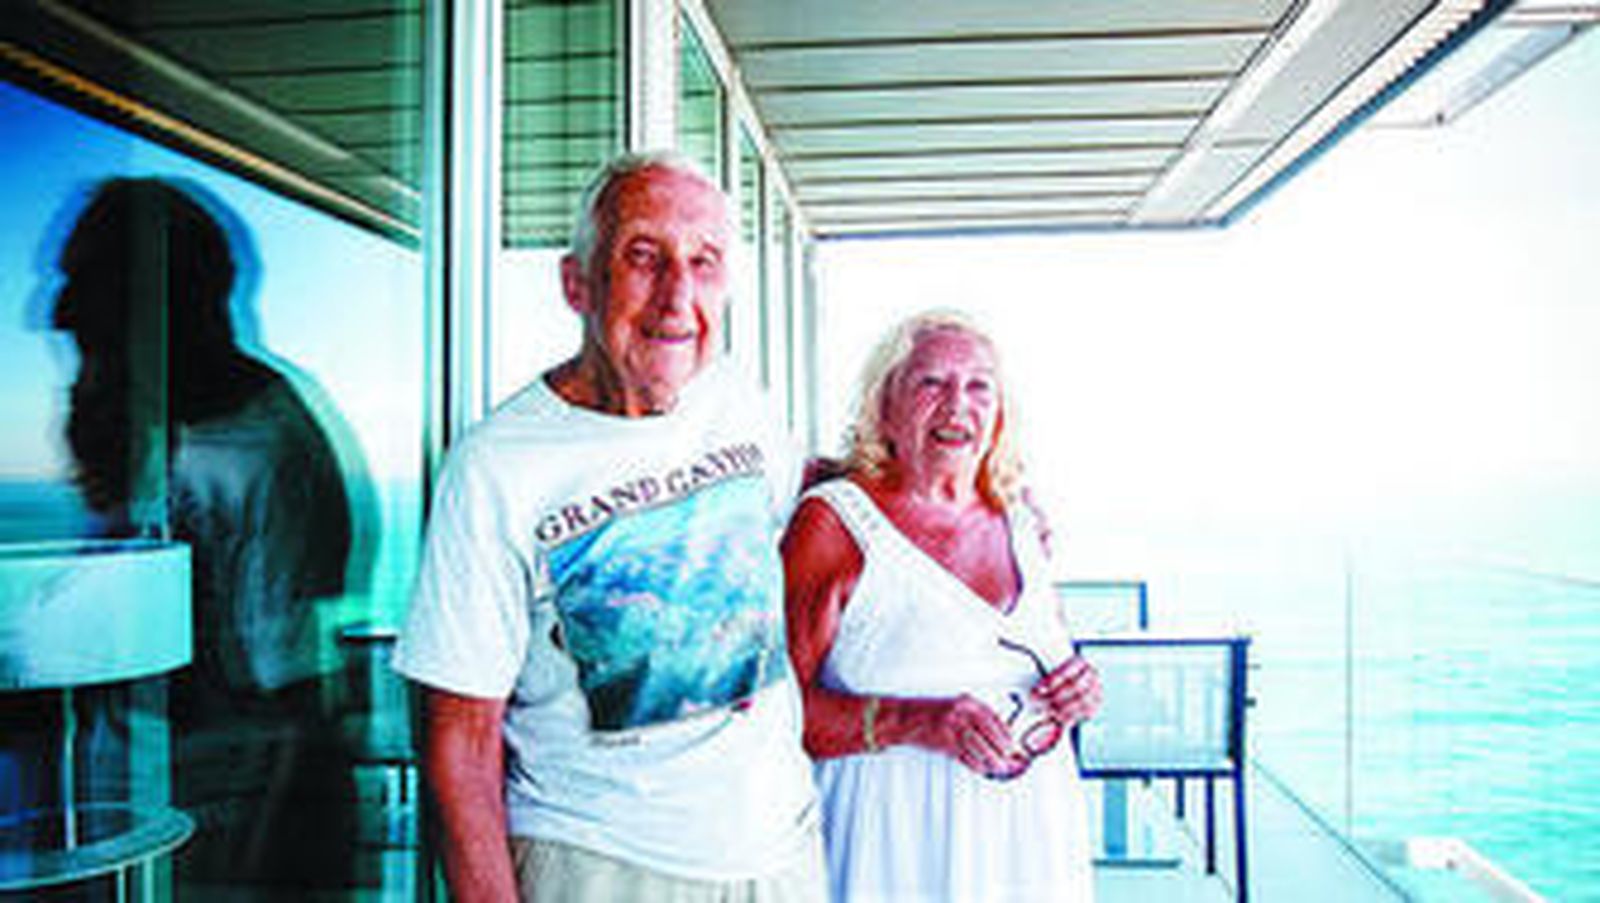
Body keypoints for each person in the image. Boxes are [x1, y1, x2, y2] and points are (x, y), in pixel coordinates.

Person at [394, 152, 825, 903]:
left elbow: (812, 490)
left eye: (703, 261)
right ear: (577, 282)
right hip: (597, 864)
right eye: (643, 257)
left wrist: (978, 500)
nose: (677, 298)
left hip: (779, 856)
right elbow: (458, 745)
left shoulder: (737, 403)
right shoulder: (497, 466)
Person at [46, 177, 361, 893]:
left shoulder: (256, 450)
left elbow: (282, 707)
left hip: (222, 840)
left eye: (85, 287)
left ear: (160, 304)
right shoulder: (183, 437)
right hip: (172, 823)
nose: (58, 313)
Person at [783, 311, 1102, 902]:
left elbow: (1044, 658)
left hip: (1031, 849)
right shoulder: (834, 523)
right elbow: (773, 718)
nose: (959, 405)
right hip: (892, 855)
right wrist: (921, 721)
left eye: (979, 386)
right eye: (931, 383)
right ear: (884, 407)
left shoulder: (1023, 522)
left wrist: (1079, 688)